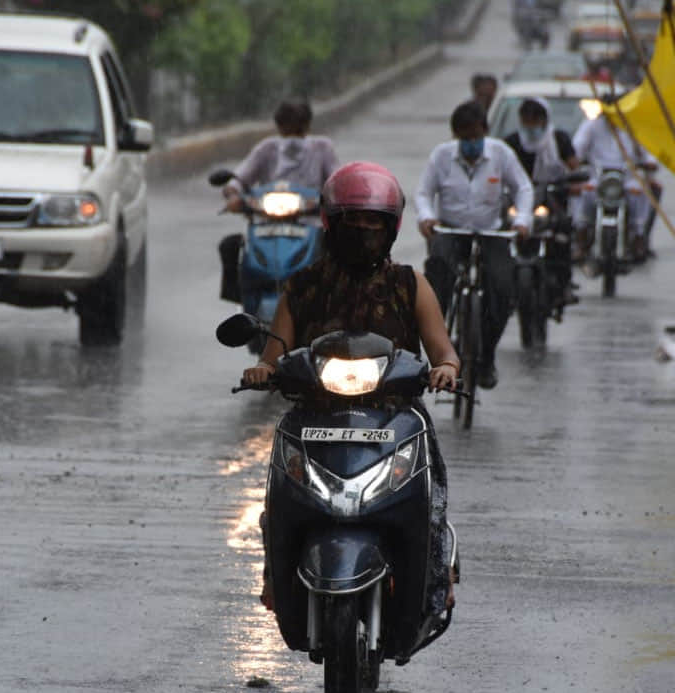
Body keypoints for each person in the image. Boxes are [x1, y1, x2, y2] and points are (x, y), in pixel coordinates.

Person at [241, 161, 460, 615]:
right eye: (352, 222)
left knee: (430, 494)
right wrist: (263, 371)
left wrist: (446, 370)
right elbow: (272, 354)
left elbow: (445, 351)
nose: (362, 231)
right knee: (278, 495)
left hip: (394, 414)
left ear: (391, 229)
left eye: (372, 223)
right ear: (331, 224)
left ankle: (437, 574)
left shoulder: (409, 284)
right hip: (314, 414)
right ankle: (275, 576)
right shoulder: (302, 287)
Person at [414, 100, 533, 390]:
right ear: (455, 136)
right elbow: (423, 193)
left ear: (485, 132)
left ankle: (486, 355)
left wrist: (522, 221)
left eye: (475, 137)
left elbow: (523, 188)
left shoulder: (501, 154)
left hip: (491, 233)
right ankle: (439, 349)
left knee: (503, 289)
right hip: (451, 231)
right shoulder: (441, 156)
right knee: (437, 278)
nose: (471, 143)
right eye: (464, 138)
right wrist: (428, 218)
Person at [217, 100, 339, 302]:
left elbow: (336, 180)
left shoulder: (323, 148)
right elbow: (240, 178)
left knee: (338, 250)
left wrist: (335, 197)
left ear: (307, 125)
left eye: (298, 126)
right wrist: (233, 194)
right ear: (279, 126)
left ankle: (335, 303)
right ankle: (242, 300)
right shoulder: (267, 148)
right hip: (267, 223)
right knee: (231, 247)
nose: (292, 131)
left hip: (311, 224)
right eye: (287, 124)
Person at [503, 97, 581, 306]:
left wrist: (576, 184)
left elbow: (576, 167)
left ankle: (564, 283)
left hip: (552, 197)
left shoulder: (559, 140)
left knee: (563, 231)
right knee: (500, 230)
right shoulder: (511, 142)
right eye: (525, 121)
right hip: (518, 200)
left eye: (534, 121)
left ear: (544, 120)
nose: (530, 127)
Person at [570, 98, 659, 263]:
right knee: (584, 192)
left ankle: (639, 235)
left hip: (626, 179)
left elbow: (647, 149)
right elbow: (577, 147)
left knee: (639, 193)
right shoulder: (592, 125)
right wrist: (575, 159)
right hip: (599, 179)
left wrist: (650, 162)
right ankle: (581, 238)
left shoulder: (632, 127)